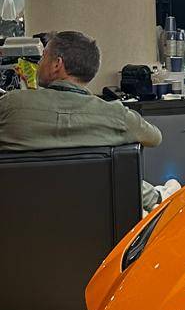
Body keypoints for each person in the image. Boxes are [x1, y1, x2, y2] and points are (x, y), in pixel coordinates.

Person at [0, 29, 174, 213]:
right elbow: (155, 138)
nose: (39, 63)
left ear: (57, 64)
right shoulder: (116, 115)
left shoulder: (10, 106)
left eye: (43, 57)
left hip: (19, 223)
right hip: (101, 225)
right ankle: (159, 197)